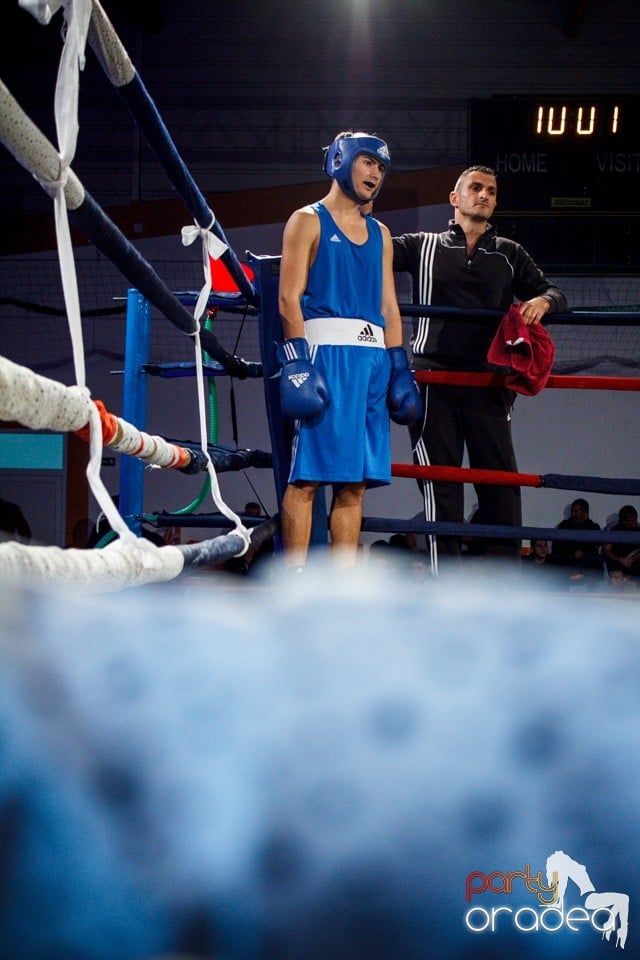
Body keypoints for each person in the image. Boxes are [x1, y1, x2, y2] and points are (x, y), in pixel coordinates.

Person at [393, 164, 567, 571]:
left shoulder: (509, 252)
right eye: (475, 187)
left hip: (489, 382)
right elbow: (371, 247)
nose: (483, 195)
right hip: (433, 381)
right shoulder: (423, 244)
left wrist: (544, 301)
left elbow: (553, 291)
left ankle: (504, 585)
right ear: (455, 198)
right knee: (441, 485)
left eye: (490, 190)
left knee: (500, 486)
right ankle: (445, 586)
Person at [277, 130, 421, 568]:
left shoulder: (381, 233)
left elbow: (389, 306)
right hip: (327, 359)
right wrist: (298, 361)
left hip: (374, 363)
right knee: (308, 479)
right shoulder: (307, 219)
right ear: (340, 160)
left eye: (381, 167)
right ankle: (295, 582)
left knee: (354, 484)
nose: (375, 173)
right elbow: (288, 297)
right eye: (367, 161)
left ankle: (340, 591)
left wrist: (400, 367)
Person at [549, 498, 603, 587]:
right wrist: (573, 550)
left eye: (577, 511)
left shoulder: (593, 527)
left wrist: (581, 550)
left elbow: (595, 545)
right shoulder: (564, 525)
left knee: (594, 559)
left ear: (585, 512)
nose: (574, 514)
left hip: (586, 561)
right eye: (573, 510)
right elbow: (557, 544)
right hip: (568, 558)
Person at [602, 504, 640, 582]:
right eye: (632, 521)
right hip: (617, 561)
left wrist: (633, 558)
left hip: (633, 560)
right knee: (614, 571)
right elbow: (606, 551)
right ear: (624, 521)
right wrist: (620, 559)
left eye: (635, 519)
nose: (635, 522)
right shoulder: (614, 530)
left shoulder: (639, 530)